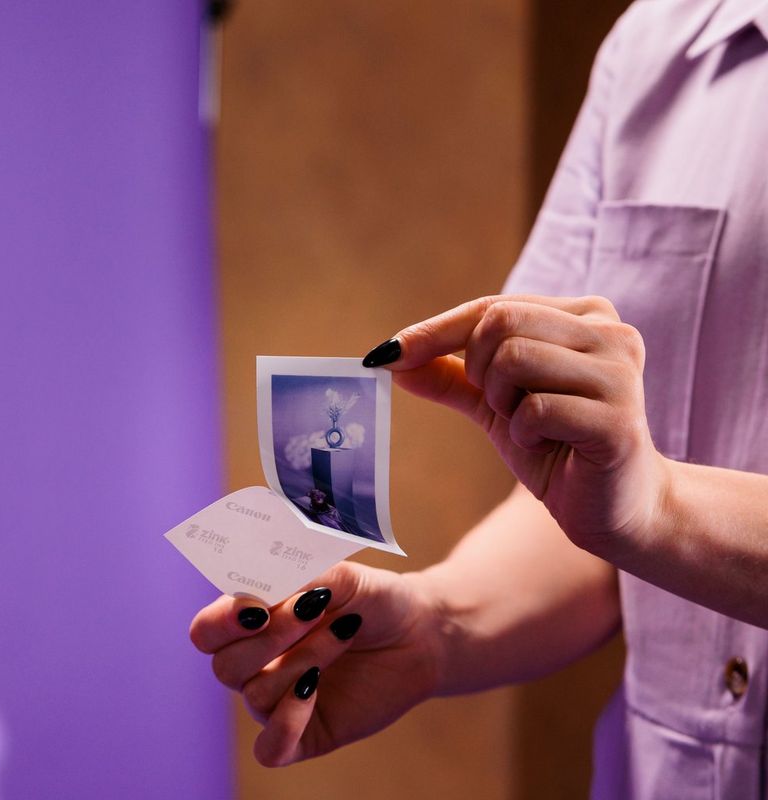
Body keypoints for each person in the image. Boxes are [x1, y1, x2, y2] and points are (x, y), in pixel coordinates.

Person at [190, 1, 768, 796]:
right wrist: (436, 626)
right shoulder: (656, 43)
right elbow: (598, 514)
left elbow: (648, 506)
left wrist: (658, 505)